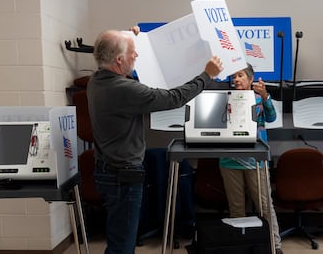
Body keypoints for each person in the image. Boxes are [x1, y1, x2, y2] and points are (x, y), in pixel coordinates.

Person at [86, 28, 223, 254]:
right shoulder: (124, 89)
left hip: (107, 171)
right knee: (122, 244)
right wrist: (206, 75)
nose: (136, 55)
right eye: (133, 52)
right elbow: (174, 98)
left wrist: (130, 37)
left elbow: (109, 50)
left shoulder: (97, 80)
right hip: (124, 176)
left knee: (118, 234)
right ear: (119, 60)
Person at [219, 63, 283, 254]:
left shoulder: (259, 99)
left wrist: (265, 97)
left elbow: (271, 118)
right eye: (233, 77)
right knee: (236, 207)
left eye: (240, 75)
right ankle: (241, 244)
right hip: (229, 159)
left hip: (256, 160)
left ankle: (274, 245)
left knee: (264, 205)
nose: (236, 80)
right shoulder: (225, 100)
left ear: (250, 79)